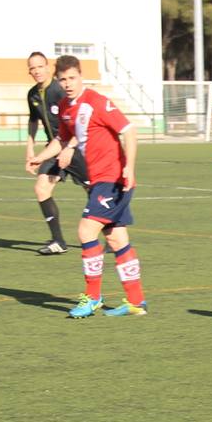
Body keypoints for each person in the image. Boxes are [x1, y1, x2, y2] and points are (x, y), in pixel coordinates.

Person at [27, 54, 148, 318]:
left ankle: (93, 298)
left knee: (85, 231)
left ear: (81, 76)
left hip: (113, 179)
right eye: (63, 80)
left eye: (72, 78)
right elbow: (62, 139)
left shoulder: (97, 102)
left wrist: (129, 167)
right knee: (116, 238)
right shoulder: (66, 106)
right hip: (99, 180)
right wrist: (40, 157)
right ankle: (136, 302)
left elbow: (128, 131)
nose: (68, 84)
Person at [24, 51, 90, 255]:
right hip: (54, 148)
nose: (37, 71)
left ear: (47, 67)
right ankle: (58, 241)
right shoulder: (33, 94)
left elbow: (78, 121)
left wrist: (70, 147)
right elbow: (33, 120)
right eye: (32, 68)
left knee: (95, 192)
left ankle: (114, 235)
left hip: (76, 148)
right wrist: (30, 149)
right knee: (41, 189)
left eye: (40, 66)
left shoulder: (60, 90)